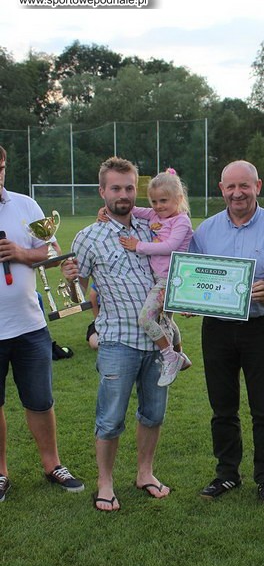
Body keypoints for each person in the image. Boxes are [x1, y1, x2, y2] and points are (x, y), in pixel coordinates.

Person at [62, 156, 172, 512]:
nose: (123, 194)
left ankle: (145, 473)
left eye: (128, 187)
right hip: (117, 342)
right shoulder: (88, 237)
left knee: (153, 414)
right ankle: (105, 482)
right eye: (115, 188)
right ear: (102, 191)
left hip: (157, 342)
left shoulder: (153, 227)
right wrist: (71, 280)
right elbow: (77, 296)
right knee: (110, 419)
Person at [190, 160, 264, 504]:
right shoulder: (205, 231)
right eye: (231, 187)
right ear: (222, 189)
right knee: (222, 407)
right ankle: (227, 474)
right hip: (217, 330)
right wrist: (187, 299)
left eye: (244, 186)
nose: (238, 193)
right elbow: (191, 276)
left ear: (257, 186)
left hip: (261, 329)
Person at [0, 145, 84, 502]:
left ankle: (53, 465)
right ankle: (1, 473)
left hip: (29, 326)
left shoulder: (24, 205)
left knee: (40, 400)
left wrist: (21, 253)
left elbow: (52, 253)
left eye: (0, 168)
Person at [116, 168, 193, 386]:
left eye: (164, 201)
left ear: (178, 199)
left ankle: (170, 357)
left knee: (145, 319)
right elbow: (131, 209)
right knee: (166, 320)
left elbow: (170, 246)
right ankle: (180, 355)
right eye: (154, 201)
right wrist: (105, 210)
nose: (158, 206)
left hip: (171, 280)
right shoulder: (154, 215)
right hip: (159, 279)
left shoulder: (181, 221)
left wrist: (138, 246)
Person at [85, 283, 100, 350]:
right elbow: (92, 295)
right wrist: (97, 319)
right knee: (95, 344)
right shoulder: (101, 280)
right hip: (103, 316)